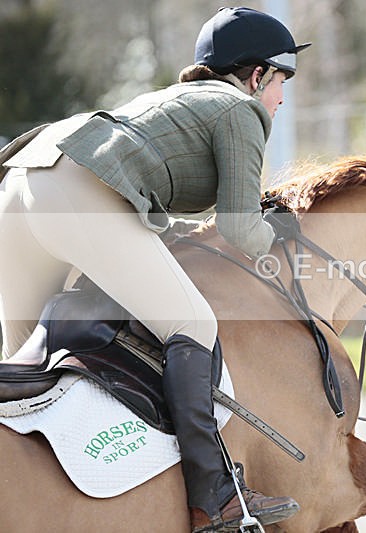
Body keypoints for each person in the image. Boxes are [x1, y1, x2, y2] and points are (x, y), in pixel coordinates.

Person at [0, 7, 309, 532]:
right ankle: (216, 497)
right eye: (282, 81)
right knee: (194, 326)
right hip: (75, 192)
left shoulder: (173, 102)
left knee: (25, 381)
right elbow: (239, 226)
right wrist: (279, 233)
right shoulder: (240, 109)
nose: (281, 98)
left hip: (18, 186)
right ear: (257, 75)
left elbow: (158, 218)